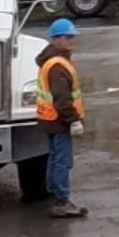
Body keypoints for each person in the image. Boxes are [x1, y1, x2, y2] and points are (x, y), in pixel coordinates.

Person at [34, 17, 89, 219]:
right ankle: (61, 201)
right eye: (68, 37)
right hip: (59, 121)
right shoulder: (58, 66)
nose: (72, 41)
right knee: (62, 161)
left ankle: (55, 195)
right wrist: (73, 120)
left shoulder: (51, 61)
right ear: (56, 39)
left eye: (72, 37)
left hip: (50, 120)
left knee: (55, 159)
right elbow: (62, 99)